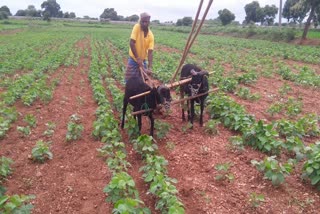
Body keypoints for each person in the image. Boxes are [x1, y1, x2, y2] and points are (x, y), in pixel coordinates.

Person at [125, 12, 154, 82]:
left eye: (146, 22)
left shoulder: (151, 35)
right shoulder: (137, 27)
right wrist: (138, 58)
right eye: (142, 21)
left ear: (149, 22)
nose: (144, 23)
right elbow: (132, 43)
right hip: (133, 59)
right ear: (140, 21)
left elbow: (150, 52)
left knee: (142, 82)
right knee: (128, 81)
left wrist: (149, 67)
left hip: (143, 61)